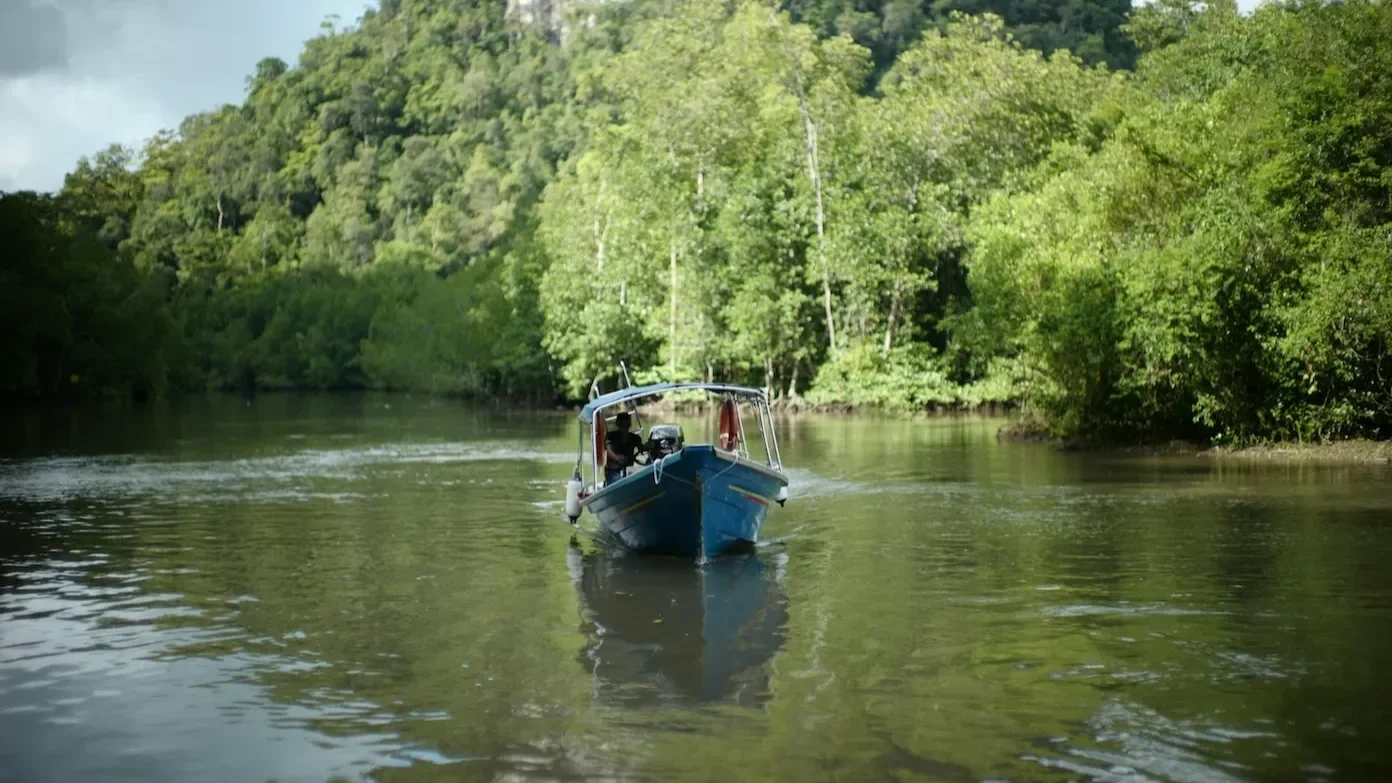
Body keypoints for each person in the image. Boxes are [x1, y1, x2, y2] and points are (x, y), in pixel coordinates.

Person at [604, 411, 645, 484]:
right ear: (618, 424)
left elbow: (642, 449)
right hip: (613, 471)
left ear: (629, 425)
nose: (624, 428)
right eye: (622, 425)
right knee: (617, 480)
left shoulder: (635, 438)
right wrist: (617, 457)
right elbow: (608, 449)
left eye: (627, 425)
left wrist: (650, 445)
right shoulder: (610, 436)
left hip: (629, 470)